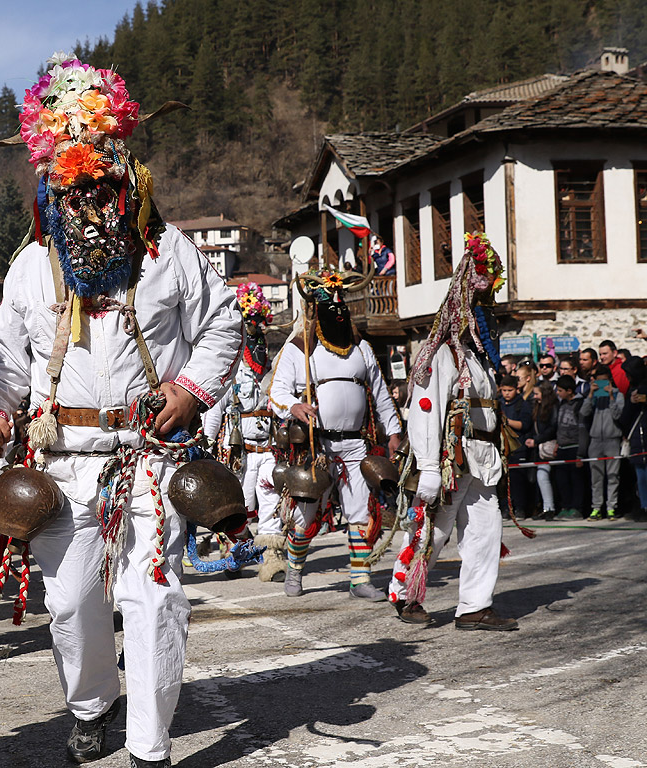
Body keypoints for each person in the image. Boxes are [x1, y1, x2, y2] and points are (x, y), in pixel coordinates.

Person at [0, 55, 242, 768]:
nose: (87, 202)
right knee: (68, 605)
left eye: (100, 188)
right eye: (72, 190)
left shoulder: (169, 252)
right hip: (62, 462)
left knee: (153, 598)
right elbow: (2, 354)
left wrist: (188, 392)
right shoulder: (31, 266)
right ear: (50, 192)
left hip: (149, 459)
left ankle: (149, 746)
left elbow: (223, 324)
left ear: (125, 183)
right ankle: (94, 704)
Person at [386, 232, 521, 630]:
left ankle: (475, 607)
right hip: (450, 459)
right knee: (436, 528)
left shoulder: (479, 360)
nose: (487, 313)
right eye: (481, 304)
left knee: (485, 529)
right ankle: (404, 593)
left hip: (482, 459)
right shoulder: (440, 352)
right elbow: (425, 411)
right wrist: (428, 466)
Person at [268, 267, 402, 602]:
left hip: (357, 443)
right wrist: (294, 408)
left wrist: (395, 430)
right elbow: (277, 393)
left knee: (360, 512)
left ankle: (360, 579)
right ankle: (295, 569)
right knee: (306, 513)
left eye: (342, 303)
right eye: (330, 303)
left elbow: (381, 394)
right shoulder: (300, 347)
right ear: (316, 308)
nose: (337, 309)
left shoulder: (363, 349)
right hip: (317, 444)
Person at [203, 283, 281, 581]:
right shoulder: (231, 367)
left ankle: (272, 560)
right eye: (252, 324)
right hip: (239, 452)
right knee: (241, 506)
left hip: (269, 447)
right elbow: (214, 409)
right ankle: (236, 554)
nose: (259, 330)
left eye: (262, 324)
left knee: (271, 504)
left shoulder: (273, 368)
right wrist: (208, 444)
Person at [581, 363, 625, 520]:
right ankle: (596, 508)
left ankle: (612, 507)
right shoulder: (593, 397)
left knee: (613, 475)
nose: (601, 385)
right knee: (596, 477)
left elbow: (618, 416)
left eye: (604, 382)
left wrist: (611, 397)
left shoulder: (618, 395)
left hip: (612, 439)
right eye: (598, 382)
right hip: (595, 440)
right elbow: (583, 413)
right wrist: (591, 395)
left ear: (610, 381)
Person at [499, 375, 534, 518]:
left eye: (510, 390)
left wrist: (506, 421)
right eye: (504, 390)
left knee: (518, 481)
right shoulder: (499, 403)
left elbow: (524, 425)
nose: (506, 393)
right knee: (502, 481)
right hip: (501, 447)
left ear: (516, 389)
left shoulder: (523, 404)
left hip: (518, 448)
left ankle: (520, 508)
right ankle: (506, 508)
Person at [553, 374, 588, 519]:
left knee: (576, 480)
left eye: (560, 390)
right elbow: (559, 426)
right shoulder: (561, 404)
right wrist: (557, 443)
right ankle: (565, 506)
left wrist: (581, 453)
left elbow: (582, 430)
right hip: (562, 448)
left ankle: (577, 508)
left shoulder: (580, 404)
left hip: (574, 447)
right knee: (562, 481)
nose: (558, 393)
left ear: (569, 390)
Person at [619, 356, 647, 522]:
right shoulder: (632, 389)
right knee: (640, 477)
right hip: (637, 438)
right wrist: (631, 402)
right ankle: (643, 506)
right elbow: (625, 418)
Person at [527, 383, 559, 520]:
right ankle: (546, 507)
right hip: (539, 448)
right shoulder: (537, 407)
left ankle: (551, 508)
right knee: (541, 477)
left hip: (549, 446)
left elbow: (553, 427)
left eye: (537, 394)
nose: (534, 397)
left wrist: (538, 440)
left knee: (545, 476)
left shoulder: (553, 407)